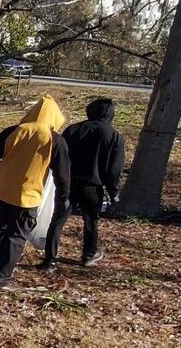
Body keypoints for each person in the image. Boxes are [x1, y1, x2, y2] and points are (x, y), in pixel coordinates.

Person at [0, 95, 71, 289]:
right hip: (28, 196)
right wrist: (63, 198)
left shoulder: (13, 131)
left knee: (0, 225)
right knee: (16, 236)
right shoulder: (55, 140)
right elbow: (62, 175)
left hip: (2, 190)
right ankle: (0, 279)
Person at [44, 97, 126, 267]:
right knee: (91, 221)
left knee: (58, 220)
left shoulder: (73, 130)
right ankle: (89, 254)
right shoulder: (114, 136)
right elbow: (114, 170)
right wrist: (113, 192)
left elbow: (59, 156)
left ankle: (50, 258)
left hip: (68, 183)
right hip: (93, 187)